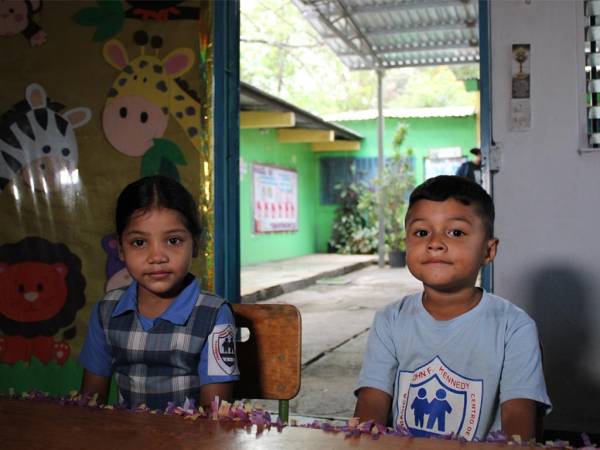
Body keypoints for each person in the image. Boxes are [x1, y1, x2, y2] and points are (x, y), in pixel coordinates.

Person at [354, 175, 550, 441]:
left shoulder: (513, 328)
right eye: (422, 232)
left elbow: (518, 424)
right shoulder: (389, 320)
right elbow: (370, 410)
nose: (435, 243)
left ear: (488, 251)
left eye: (456, 232)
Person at [80, 175, 239, 410]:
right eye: (139, 243)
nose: (157, 257)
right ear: (120, 249)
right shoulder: (107, 310)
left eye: (173, 240)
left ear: (195, 244)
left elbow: (216, 413)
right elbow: (89, 401)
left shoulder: (215, 315)